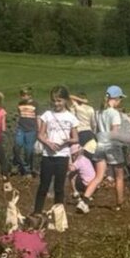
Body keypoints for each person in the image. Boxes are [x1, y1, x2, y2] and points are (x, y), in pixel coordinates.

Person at [77, 86, 127, 213]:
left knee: (99, 176)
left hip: (100, 145)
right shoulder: (114, 113)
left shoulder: (99, 112)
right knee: (119, 176)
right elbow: (115, 133)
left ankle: (84, 200)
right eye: (120, 99)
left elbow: (97, 130)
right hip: (112, 147)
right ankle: (119, 203)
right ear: (116, 98)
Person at [34, 86, 79, 215]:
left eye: (59, 100)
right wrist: (48, 143)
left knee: (59, 188)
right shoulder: (47, 115)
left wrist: (66, 141)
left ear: (65, 100)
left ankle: (58, 215)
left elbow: (75, 138)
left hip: (63, 156)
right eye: (54, 101)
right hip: (48, 155)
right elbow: (40, 134)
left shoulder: (71, 117)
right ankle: (37, 213)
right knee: (44, 185)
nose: (56, 103)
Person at [13, 87, 38, 176]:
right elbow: (20, 115)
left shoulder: (35, 104)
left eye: (24, 95)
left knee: (28, 150)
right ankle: (17, 164)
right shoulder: (20, 104)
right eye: (22, 95)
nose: (22, 97)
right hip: (21, 128)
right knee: (17, 145)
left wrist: (38, 130)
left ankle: (28, 169)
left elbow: (38, 117)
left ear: (30, 95)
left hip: (31, 130)